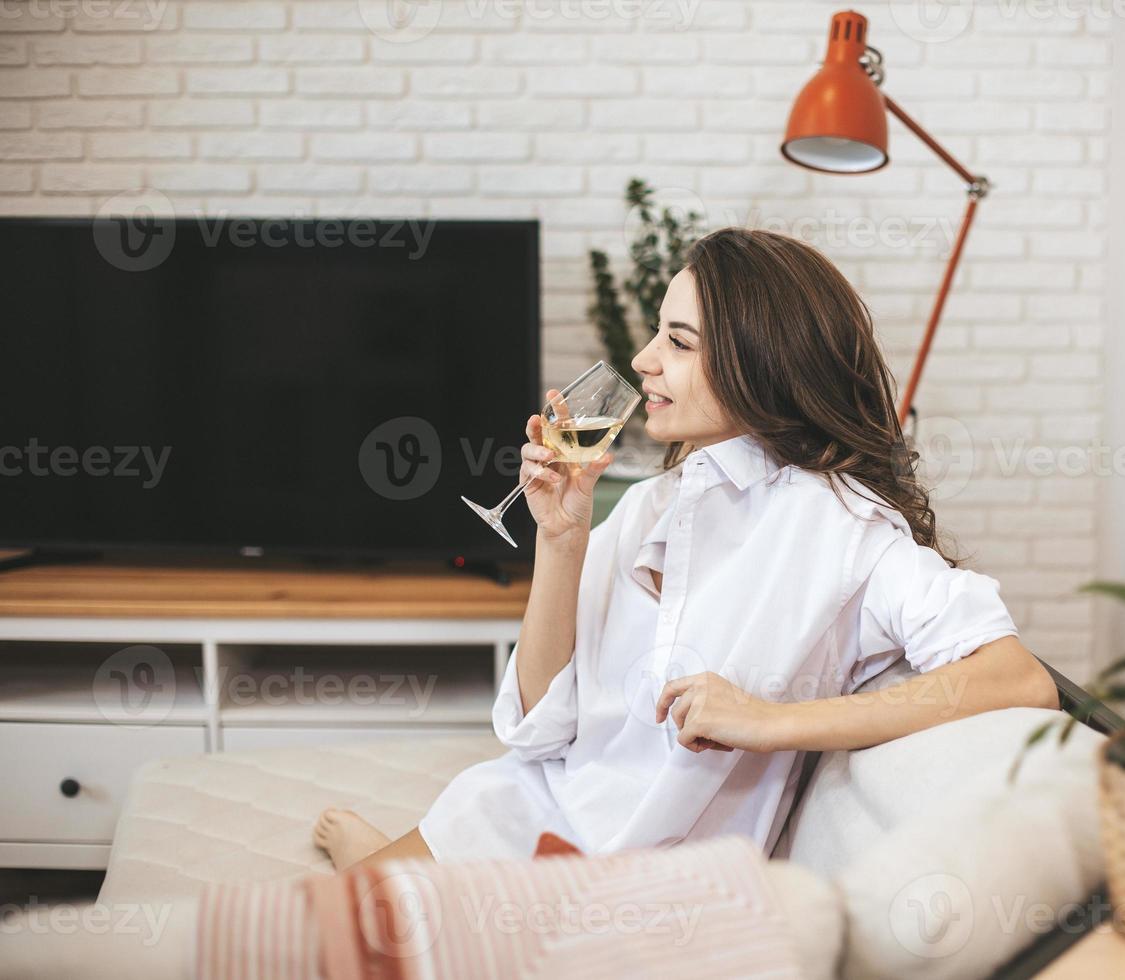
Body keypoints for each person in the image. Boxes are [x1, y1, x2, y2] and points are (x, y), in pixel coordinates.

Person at [313, 228, 1060, 870]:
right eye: (656, 334)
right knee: (337, 940)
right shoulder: (650, 503)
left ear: (759, 362)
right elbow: (539, 726)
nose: (643, 360)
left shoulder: (847, 532)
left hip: (654, 882)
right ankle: (384, 868)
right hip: (529, 814)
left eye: (677, 342)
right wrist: (561, 541)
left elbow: (1018, 681)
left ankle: (386, 871)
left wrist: (773, 721)